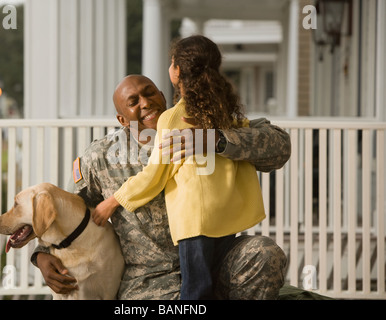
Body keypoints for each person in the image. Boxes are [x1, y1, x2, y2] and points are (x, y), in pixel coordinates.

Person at [32, 74, 290, 300]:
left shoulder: (203, 125)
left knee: (264, 254)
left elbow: (279, 146)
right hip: (152, 280)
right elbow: (65, 209)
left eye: (149, 93)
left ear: (163, 96)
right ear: (122, 119)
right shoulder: (101, 157)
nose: (145, 103)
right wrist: (42, 255)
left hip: (215, 259)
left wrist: (214, 140)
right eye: (133, 102)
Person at [93, 35, 266, 300]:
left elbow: (154, 176)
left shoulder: (173, 118)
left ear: (177, 73)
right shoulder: (226, 112)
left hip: (194, 222)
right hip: (225, 220)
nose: (146, 102)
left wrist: (113, 201)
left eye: (172, 61)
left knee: (195, 293)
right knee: (213, 288)